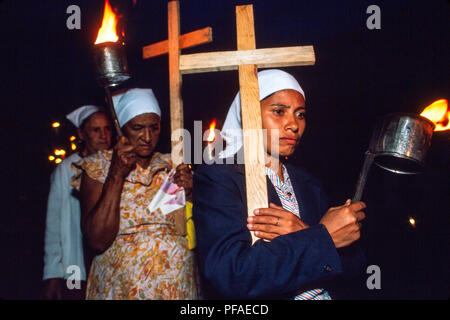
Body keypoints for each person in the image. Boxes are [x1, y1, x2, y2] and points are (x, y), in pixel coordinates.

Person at [193, 69, 367, 299]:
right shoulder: (220, 178)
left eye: (300, 114)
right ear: (249, 116)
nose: (293, 125)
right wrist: (320, 238)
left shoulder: (308, 182)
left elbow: (355, 265)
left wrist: (306, 232)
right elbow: (232, 276)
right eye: (278, 111)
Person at [72, 88, 196, 299]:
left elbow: (183, 228)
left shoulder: (171, 165)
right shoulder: (97, 168)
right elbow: (97, 240)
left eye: (154, 128)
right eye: (138, 128)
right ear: (121, 129)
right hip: (122, 286)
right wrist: (116, 174)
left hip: (175, 287)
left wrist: (190, 195)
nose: (147, 137)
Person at [42, 105, 113, 300]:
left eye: (107, 129)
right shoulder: (66, 169)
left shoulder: (117, 166)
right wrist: (53, 275)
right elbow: (53, 225)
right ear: (81, 133)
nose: (103, 135)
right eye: (95, 130)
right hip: (76, 263)